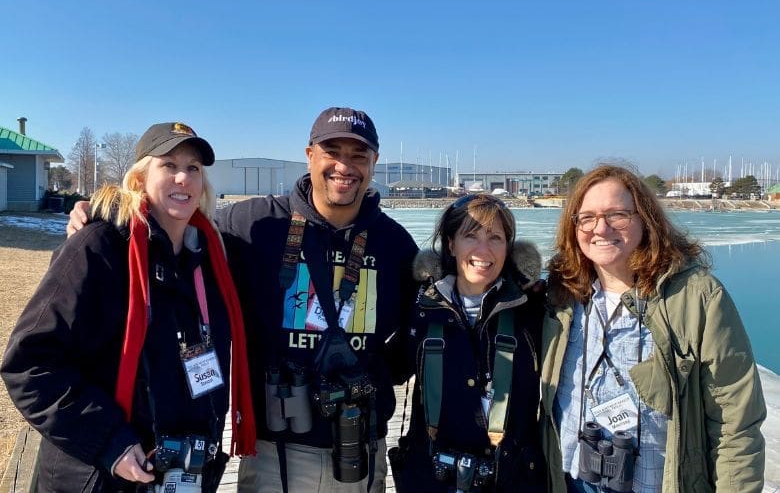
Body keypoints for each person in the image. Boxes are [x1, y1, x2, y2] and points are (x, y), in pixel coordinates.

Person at [67, 107, 419, 493]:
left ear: (374, 163)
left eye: (358, 156)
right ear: (309, 155)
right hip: (275, 453)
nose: (344, 166)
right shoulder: (253, 225)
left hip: (361, 449)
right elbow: (171, 230)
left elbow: (415, 339)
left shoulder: (395, 245)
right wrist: (106, 219)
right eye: (332, 151)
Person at [2, 122, 256, 493]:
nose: (183, 177)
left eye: (193, 168)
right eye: (168, 165)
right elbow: (29, 365)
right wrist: (110, 443)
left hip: (178, 474)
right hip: (99, 476)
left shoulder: (210, 259)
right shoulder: (100, 247)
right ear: (139, 180)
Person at [540, 165, 766, 493]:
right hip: (573, 479)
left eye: (617, 214)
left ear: (645, 219)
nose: (600, 228)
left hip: (658, 481)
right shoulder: (562, 296)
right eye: (586, 217)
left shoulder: (694, 297)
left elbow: (736, 420)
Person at [391, 193, 546, 493]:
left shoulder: (535, 311)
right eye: (470, 236)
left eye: (495, 238)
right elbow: (387, 367)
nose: (483, 249)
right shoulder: (421, 308)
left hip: (511, 478)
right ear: (451, 243)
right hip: (432, 478)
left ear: (509, 248)